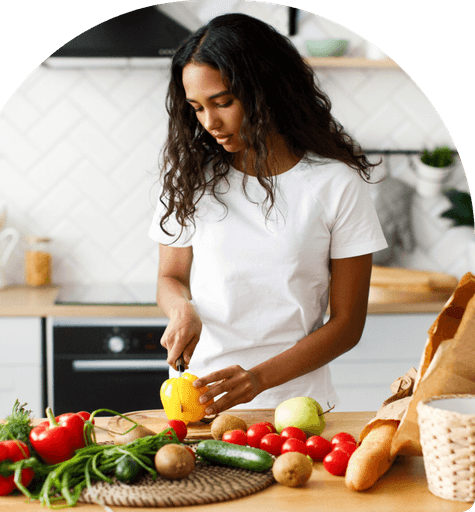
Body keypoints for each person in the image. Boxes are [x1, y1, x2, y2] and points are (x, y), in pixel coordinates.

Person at [148, 12, 387, 415]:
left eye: (223, 102)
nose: (210, 123)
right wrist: (181, 308)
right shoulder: (190, 179)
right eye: (197, 108)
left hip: (294, 406)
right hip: (199, 403)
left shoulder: (335, 184)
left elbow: (347, 325)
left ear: (266, 90)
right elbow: (170, 277)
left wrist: (257, 379)